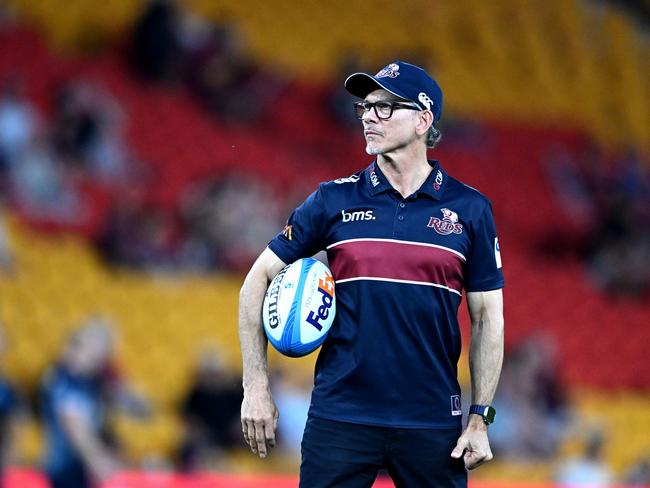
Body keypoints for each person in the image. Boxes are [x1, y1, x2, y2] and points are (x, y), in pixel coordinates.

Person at [238, 61, 505, 487]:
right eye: (366, 107)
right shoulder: (331, 199)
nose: (368, 118)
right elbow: (256, 281)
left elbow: (489, 317)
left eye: (385, 108)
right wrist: (255, 386)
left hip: (432, 419)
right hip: (340, 415)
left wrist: (480, 418)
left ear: (423, 119)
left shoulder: (470, 209)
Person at [40, 321, 122, 488]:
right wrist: (97, 458)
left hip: (81, 469)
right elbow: (74, 425)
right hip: (65, 469)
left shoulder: (90, 382)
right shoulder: (64, 379)